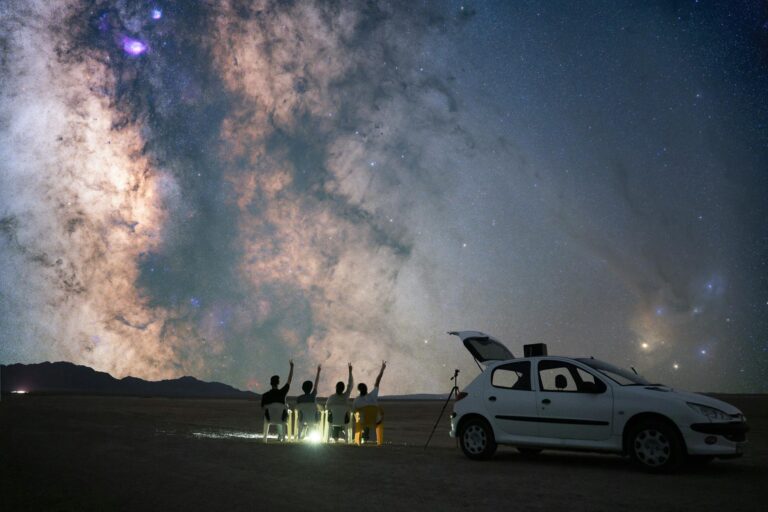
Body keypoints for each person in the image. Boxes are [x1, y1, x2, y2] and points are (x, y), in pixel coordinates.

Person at [353, 361, 386, 442]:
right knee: (367, 416)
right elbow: (378, 381)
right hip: (376, 420)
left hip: (364, 421)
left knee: (360, 417)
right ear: (366, 389)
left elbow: (354, 412)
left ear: (359, 390)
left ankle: (362, 436)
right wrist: (382, 369)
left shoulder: (357, 400)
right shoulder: (373, 395)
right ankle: (372, 438)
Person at [261, 359, 294, 440]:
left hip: (270, 418)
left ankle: (278, 435)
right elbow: (289, 381)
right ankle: (282, 436)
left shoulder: (265, 395)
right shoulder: (282, 392)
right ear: (278, 383)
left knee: (276, 411)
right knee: (282, 411)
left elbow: (263, 407)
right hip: (281, 418)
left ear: (270, 383)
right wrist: (292, 367)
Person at [324, 363, 354, 441]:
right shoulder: (346, 396)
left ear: (336, 387)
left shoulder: (331, 398)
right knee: (343, 418)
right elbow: (350, 385)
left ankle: (335, 435)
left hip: (333, 420)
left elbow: (326, 408)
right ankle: (340, 435)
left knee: (333, 417)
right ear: (343, 388)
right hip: (344, 420)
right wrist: (350, 371)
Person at [295, 365, 321, 436]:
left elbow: (297, 409)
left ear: (303, 388)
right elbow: (316, 384)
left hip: (302, 419)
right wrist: (318, 372)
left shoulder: (299, 398)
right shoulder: (313, 396)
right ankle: (310, 430)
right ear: (311, 388)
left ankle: (303, 429)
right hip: (313, 419)